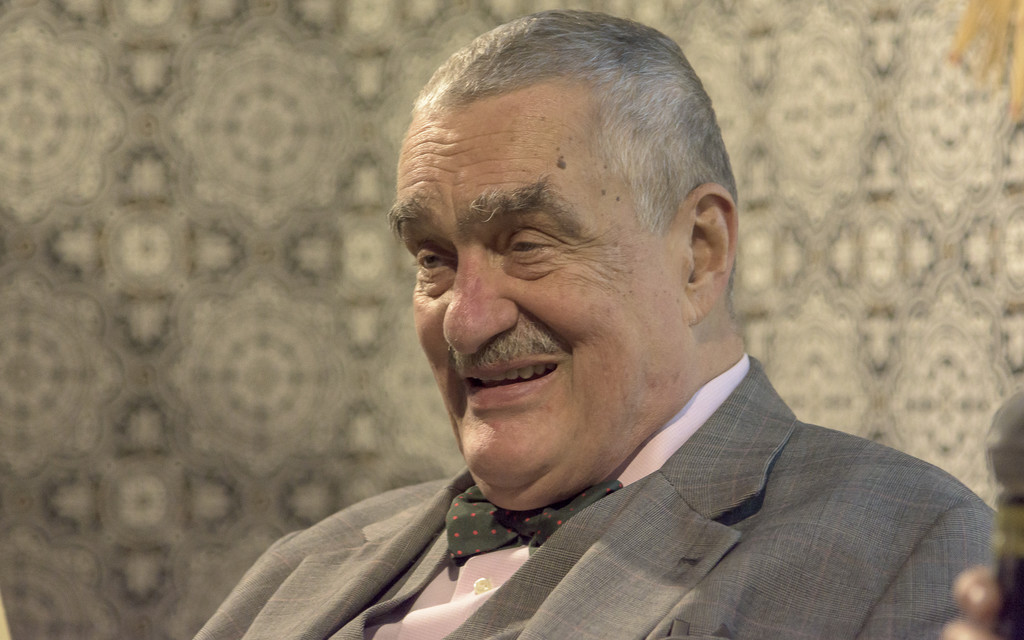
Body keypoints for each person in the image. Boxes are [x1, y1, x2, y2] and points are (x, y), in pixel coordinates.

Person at [195, 10, 993, 640]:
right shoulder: (304, 566)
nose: (465, 323)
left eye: (526, 244)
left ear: (700, 253)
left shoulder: (912, 551)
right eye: (434, 259)